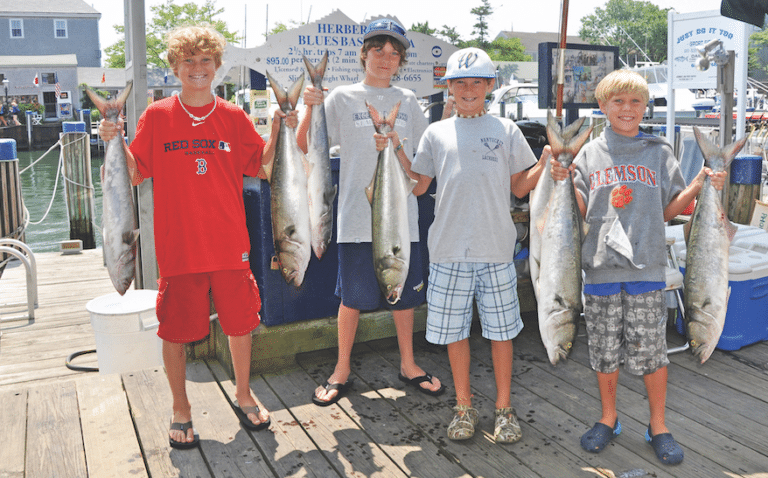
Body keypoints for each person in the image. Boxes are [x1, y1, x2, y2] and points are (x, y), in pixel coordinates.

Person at [99, 24, 297, 450]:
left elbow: (261, 167)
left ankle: (244, 394)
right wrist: (112, 140)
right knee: (173, 331)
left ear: (217, 66)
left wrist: (280, 127)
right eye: (187, 60)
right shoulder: (156, 116)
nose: (197, 68)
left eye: (205, 60)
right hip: (178, 248)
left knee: (240, 326)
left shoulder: (233, 116)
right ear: (174, 67)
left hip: (229, 245)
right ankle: (180, 408)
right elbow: (134, 173)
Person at [551, 69, 727, 465]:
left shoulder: (660, 151)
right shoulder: (588, 154)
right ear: (603, 107)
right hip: (599, 271)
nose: (627, 109)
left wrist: (700, 184)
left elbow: (668, 211)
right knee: (603, 352)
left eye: (635, 102)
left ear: (645, 106)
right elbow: (579, 209)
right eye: (618, 102)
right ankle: (608, 418)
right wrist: (560, 178)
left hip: (646, 271)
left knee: (652, 354)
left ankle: (658, 425)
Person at [298, 18, 445, 406]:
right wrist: (307, 108)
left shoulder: (410, 102)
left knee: (407, 298)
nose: (385, 58)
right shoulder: (343, 98)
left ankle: (409, 364)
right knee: (351, 298)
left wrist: (394, 143)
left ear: (401, 62)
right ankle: (341, 368)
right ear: (364, 54)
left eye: (394, 53)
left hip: (401, 219)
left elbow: (419, 163)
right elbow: (304, 144)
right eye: (378, 50)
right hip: (355, 218)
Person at [409, 47, 550, 443]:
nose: (468, 89)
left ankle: (504, 409)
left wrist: (550, 157)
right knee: (455, 334)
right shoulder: (435, 132)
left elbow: (520, 186)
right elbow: (418, 185)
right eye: (460, 82)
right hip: (448, 250)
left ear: (491, 86)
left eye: (477, 82)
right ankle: (464, 406)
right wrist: (391, 151)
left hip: (496, 249)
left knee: (501, 334)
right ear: (448, 88)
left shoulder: (506, 129)